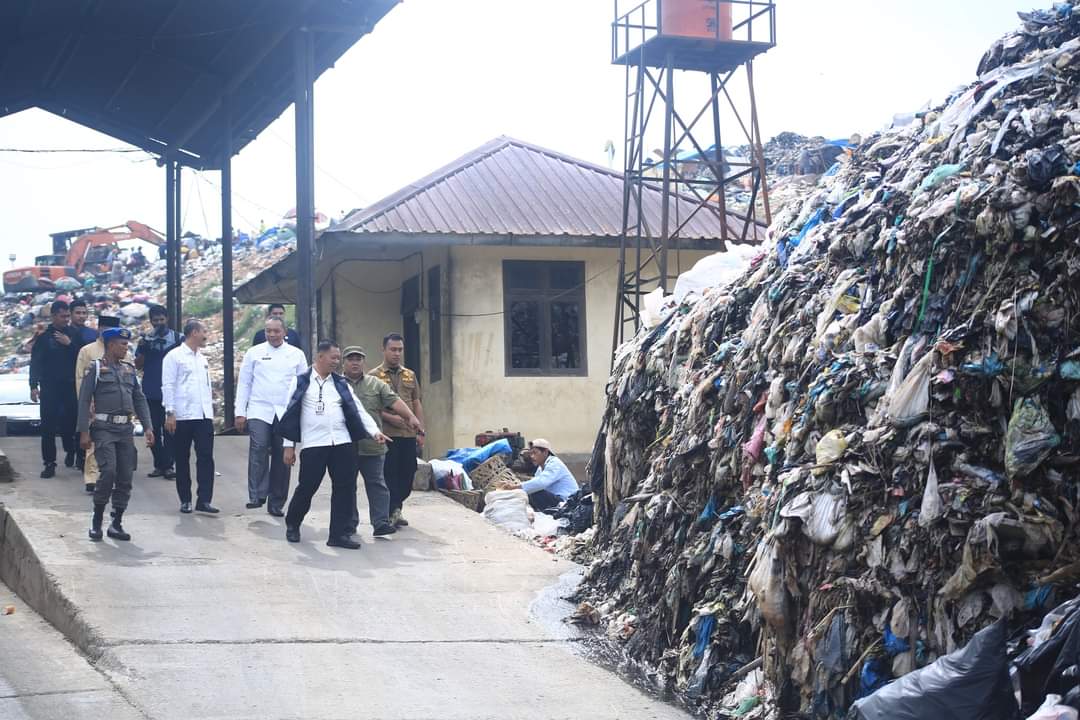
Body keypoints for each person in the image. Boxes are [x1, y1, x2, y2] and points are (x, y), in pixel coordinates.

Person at [279, 340, 388, 549]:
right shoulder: (301, 382)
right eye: (334, 357)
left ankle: (338, 535)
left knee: (345, 489)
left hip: (342, 443)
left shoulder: (340, 383)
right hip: (314, 444)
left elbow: (358, 410)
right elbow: (289, 414)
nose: (337, 362)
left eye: (338, 358)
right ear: (320, 357)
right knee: (307, 487)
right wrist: (288, 446)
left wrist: (374, 431)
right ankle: (293, 523)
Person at [77, 328, 154, 542]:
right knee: (108, 471)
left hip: (125, 430)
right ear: (111, 345)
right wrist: (84, 432)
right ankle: (96, 520)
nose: (126, 348)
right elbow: (84, 401)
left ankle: (116, 522)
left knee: (125, 476)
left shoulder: (128, 370)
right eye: (122, 344)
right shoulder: (96, 369)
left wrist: (148, 427)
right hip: (103, 429)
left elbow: (139, 399)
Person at [341, 346, 423, 539]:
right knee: (347, 486)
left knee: (378, 484)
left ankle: (380, 523)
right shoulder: (335, 384)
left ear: (363, 362)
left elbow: (394, 401)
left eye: (358, 359)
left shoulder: (375, 384)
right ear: (344, 362)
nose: (355, 362)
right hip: (345, 446)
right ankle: (349, 523)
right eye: (351, 359)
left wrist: (411, 418)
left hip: (372, 445)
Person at [235, 317, 308, 516]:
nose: (272, 335)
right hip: (260, 408)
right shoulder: (254, 353)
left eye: (276, 331)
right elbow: (244, 383)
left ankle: (277, 501)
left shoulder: (296, 354)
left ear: (285, 332)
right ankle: (257, 494)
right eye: (268, 331)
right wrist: (240, 412)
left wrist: (303, 413)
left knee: (282, 455)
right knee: (258, 446)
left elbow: (304, 385)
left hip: (286, 411)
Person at [162, 319, 218, 515]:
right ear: (194, 332)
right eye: (204, 331)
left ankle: (204, 499)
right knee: (182, 458)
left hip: (202, 416)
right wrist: (170, 412)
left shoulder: (201, 358)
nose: (206, 335)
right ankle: (185, 499)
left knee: (205, 457)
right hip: (182, 415)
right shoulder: (174, 357)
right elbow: (168, 385)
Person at [370, 332, 425, 528]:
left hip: (408, 433)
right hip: (387, 435)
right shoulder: (373, 376)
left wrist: (420, 429)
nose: (396, 354)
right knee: (389, 473)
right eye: (393, 349)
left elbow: (416, 402)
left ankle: (396, 507)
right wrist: (391, 417)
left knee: (408, 472)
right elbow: (372, 407)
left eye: (400, 350)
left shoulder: (410, 375)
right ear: (383, 350)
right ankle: (392, 510)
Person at [29, 301, 81, 478]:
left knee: (71, 424)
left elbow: (83, 359)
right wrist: (33, 386)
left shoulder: (75, 335)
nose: (66, 320)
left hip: (70, 387)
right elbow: (35, 362)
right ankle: (49, 463)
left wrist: (70, 344)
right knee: (48, 427)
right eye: (63, 316)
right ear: (53, 316)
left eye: (68, 316)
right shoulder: (44, 339)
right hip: (50, 387)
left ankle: (72, 450)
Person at [75, 315, 124, 493]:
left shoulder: (123, 351)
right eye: (103, 330)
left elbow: (129, 380)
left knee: (114, 445)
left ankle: (110, 476)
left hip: (116, 406)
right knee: (92, 443)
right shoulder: (87, 351)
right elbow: (80, 378)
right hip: (95, 405)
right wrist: (86, 402)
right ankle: (91, 478)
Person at [135, 306, 182, 479]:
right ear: (151, 321)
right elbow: (138, 365)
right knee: (153, 429)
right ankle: (159, 464)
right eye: (155, 320)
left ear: (167, 319)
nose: (159, 323)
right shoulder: (145, 340)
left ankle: (168, 465)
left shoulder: (178, 338)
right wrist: (144, 349)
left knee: (170, 429)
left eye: (161, 319)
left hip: (172, 392)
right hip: (151, 390)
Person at [512, 439, 579, 512]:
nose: (532, 456)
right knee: (530, 492)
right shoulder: (541, 467)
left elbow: (541, 483)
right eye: (531, 453)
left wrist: (516, 487)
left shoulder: (555, 463)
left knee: (535, 491)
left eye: (535, 453)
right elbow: (535, 481)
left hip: (567, 502)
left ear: (545, 452)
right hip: (558, 500)